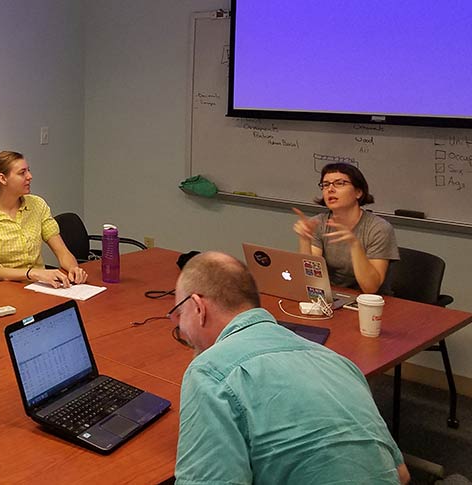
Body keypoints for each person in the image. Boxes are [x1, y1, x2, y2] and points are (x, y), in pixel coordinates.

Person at [171, 252, 409, 484]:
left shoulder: (209, 372)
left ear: (198, 307)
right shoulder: (337, 361)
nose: (181, 329)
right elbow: (401, 474)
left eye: (179, 314)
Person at [0, 150, 86, 288]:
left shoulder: (37, 205)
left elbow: (62, 251)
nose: (29, 176)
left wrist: (73, 269)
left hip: (40, 287)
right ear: (2, 179)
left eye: (28, 171)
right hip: (4, 291)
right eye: (22, 173)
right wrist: (32, 273)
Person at [293, 162, 399, 293]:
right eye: (325, 185)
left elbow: (370, 288)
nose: (330, 189)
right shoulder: (317, 223)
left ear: (358, 192)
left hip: (371, 302)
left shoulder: (379, 228)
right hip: (332, 295)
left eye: (339, 183)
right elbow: (310, 278)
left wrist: (354, 244)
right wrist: (305, 240)